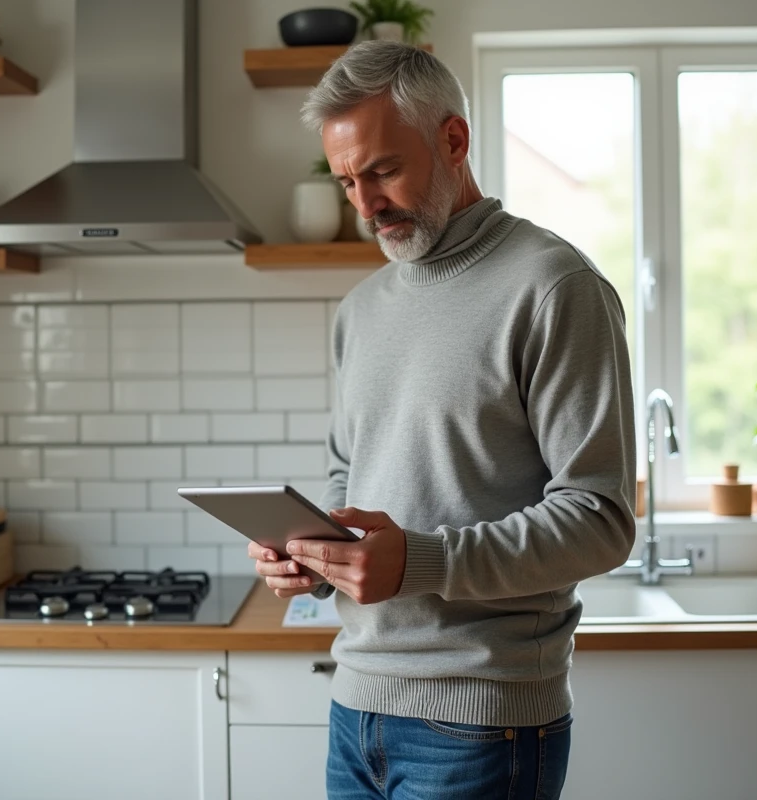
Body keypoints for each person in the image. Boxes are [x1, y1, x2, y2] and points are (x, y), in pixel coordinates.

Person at [247, 41, 636, 799]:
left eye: (383, 170)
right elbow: (350, 480)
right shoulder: (360, 311)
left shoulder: (554, 288)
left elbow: (601, 518)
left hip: (484, 720)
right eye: (347, 181)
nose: (364, 204)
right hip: (355, 704)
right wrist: (316, 555)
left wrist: (421, 562)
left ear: (452, 141)